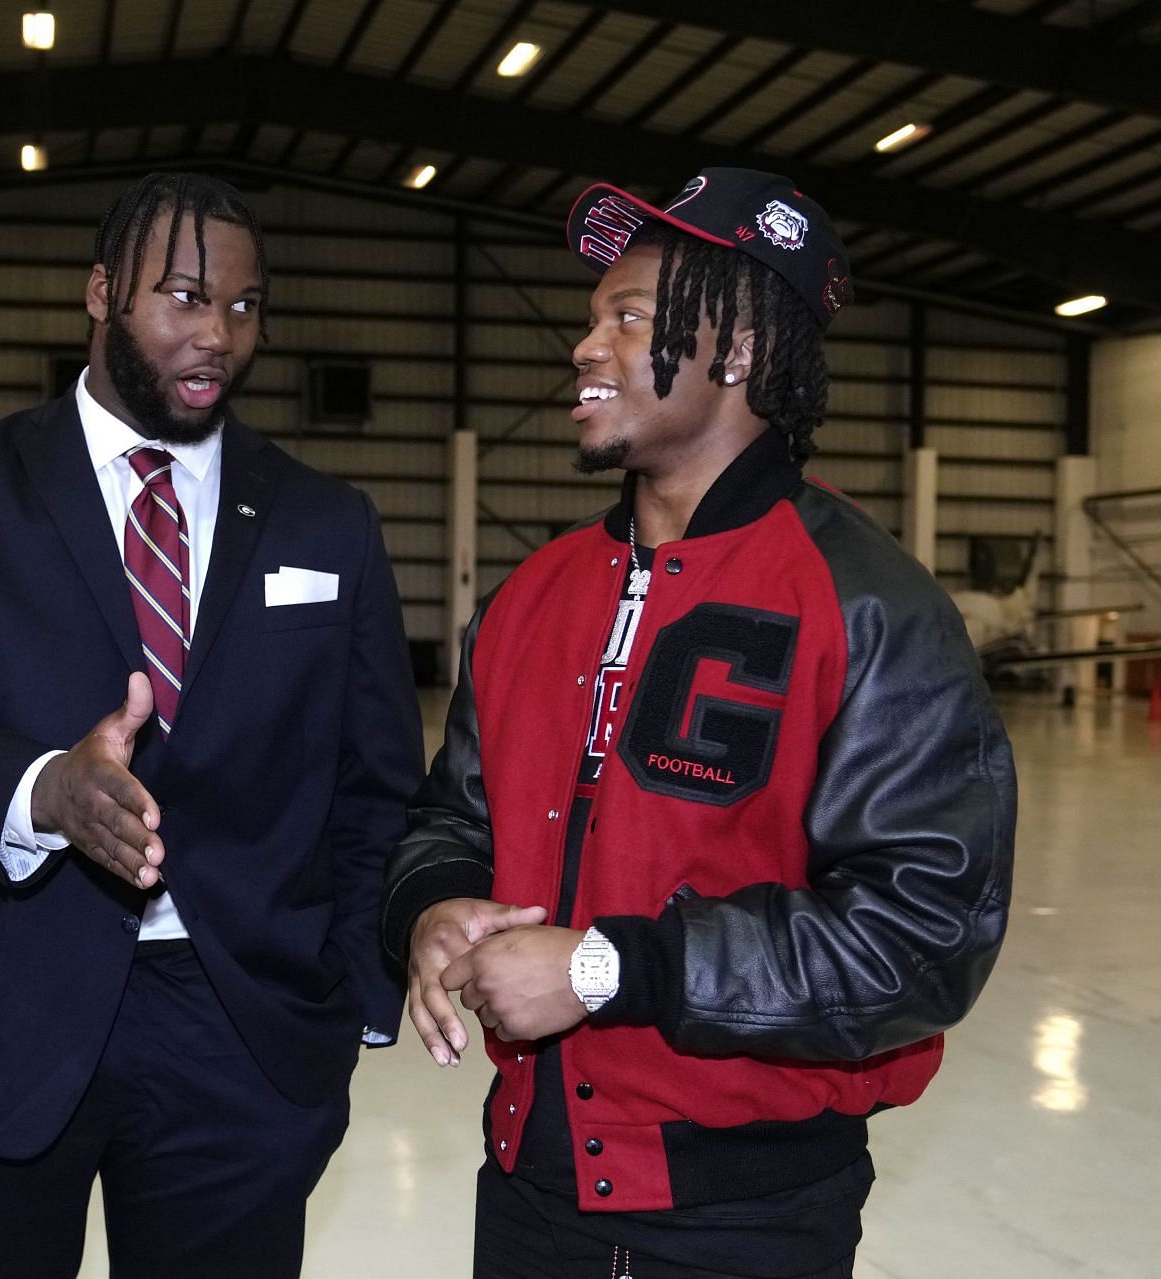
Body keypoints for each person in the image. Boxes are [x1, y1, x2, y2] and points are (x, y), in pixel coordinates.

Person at [381, 168, 1015, 1279]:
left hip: (748, 1215)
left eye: (628, 316)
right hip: (531, 1183)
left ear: (741, 353)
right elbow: (453, 817)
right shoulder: (529, 598)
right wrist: (431, 908)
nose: (586, 346)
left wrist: (608, 969)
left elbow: (922, 940)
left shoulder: (870, 605)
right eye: (592, 318)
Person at [0, 171, 423, 1278]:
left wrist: (353, 989)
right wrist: (43, 790)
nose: (218, 336)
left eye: (246, 307)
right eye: (185, 299)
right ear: (102, 291)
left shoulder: (326, 519)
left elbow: (377, 776)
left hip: (244, 1033)